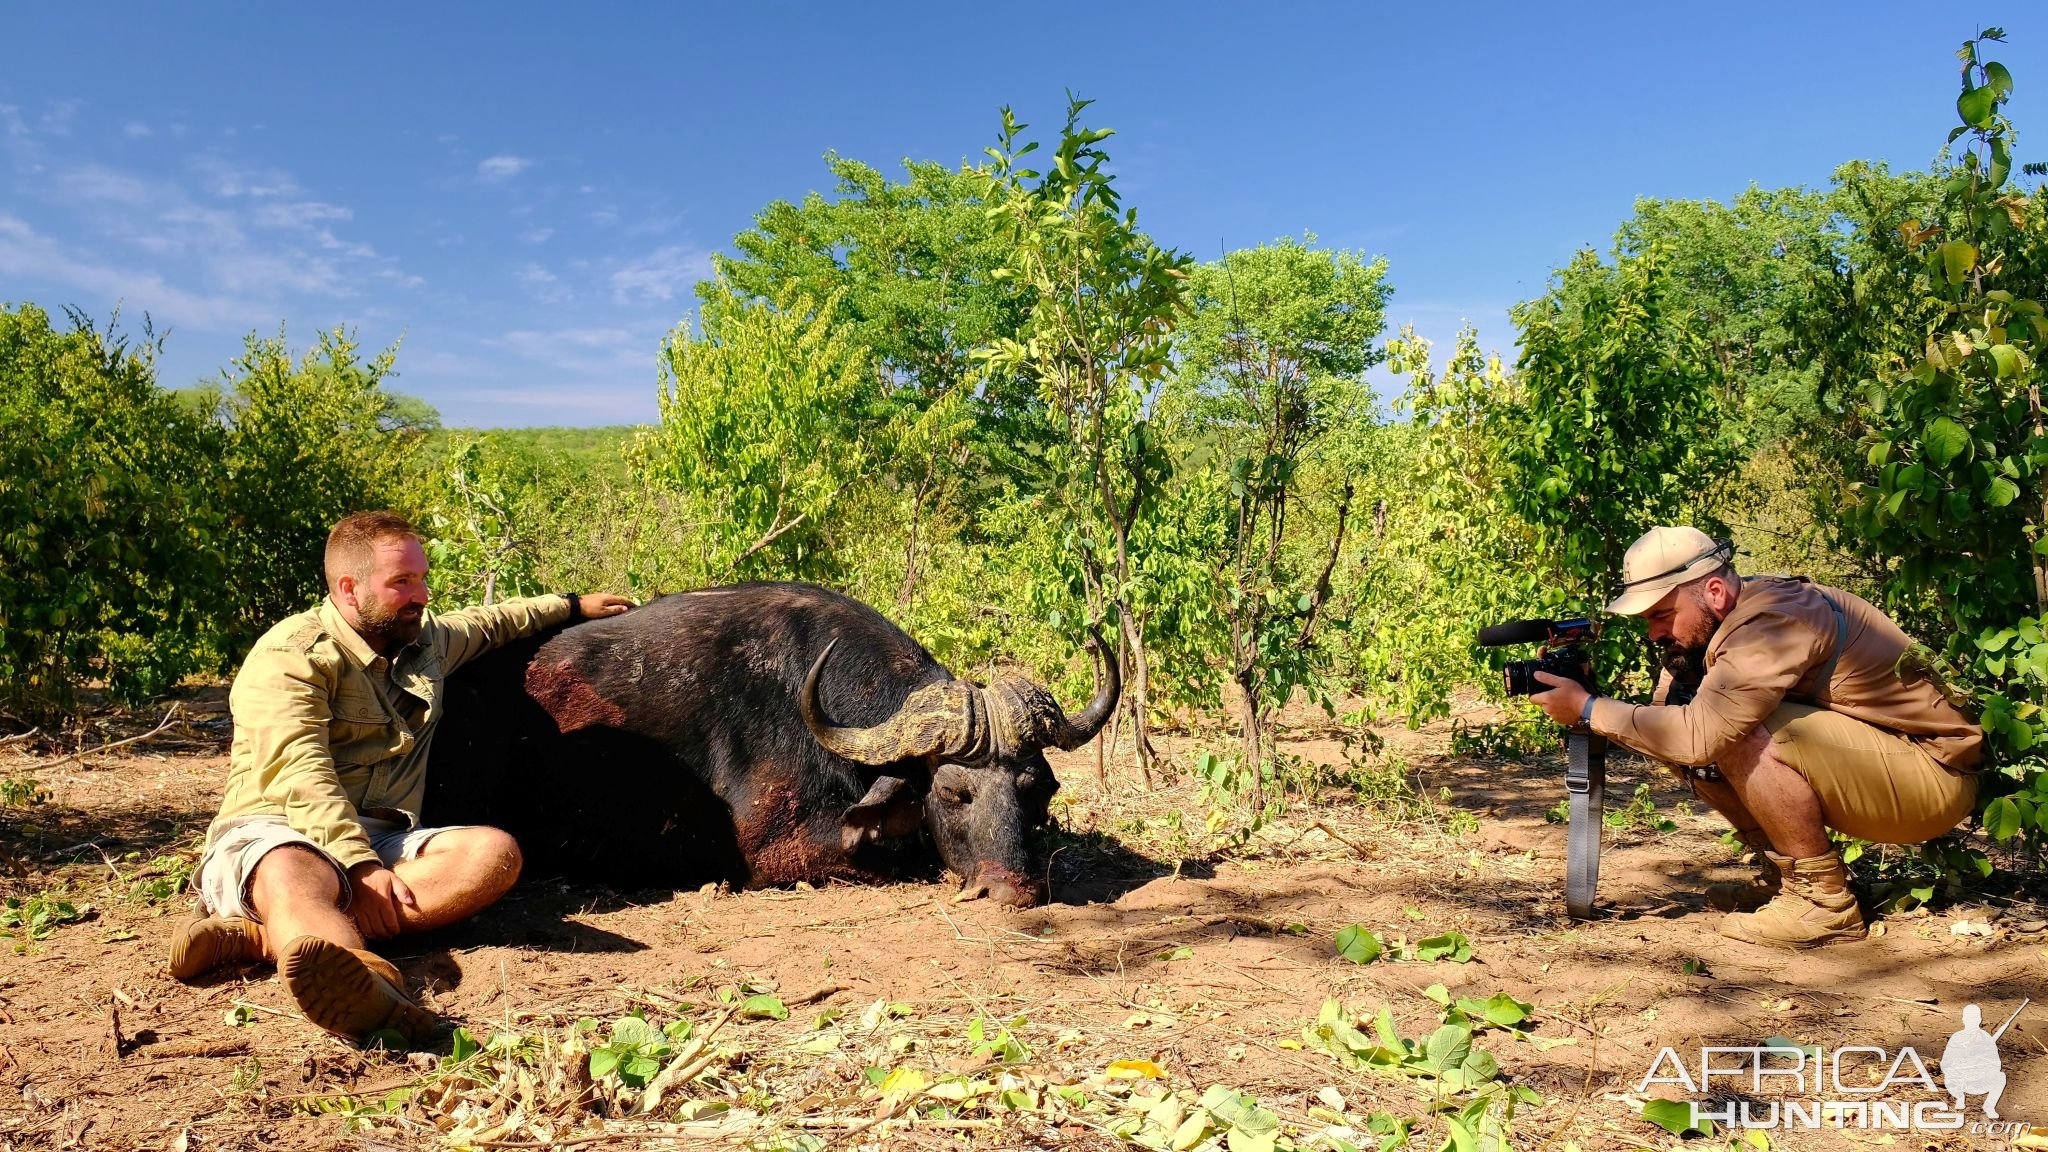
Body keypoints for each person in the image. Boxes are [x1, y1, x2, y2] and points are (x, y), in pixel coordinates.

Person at [168, 511, 633, 1042]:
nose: (423, 594)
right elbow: (302, 774)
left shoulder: (422, 639)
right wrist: (359, 866)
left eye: (423, 578)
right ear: (349, 588)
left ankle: (267, 938)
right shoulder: (288, 657)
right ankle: (368, 990)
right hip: (278, 826)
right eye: (403, 582)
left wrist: (572, 606)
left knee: (493, 854)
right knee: (293, 875)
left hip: (387, 833)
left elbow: (492, 621)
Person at [1530, 526, 1981, 949]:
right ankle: (1786, 876)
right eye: (1648, 620)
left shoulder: (1775, 620)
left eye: (1662, 615)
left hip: (1932, 779)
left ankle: (1822, 905)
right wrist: (1589, 707)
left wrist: (1590, 708)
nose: (1655, 633)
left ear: (1714, 591)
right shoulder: (1714, 629)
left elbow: (1701, 734)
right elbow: (1666, 730)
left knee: (1733, 730)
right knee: (1695, 726)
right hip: (1883, 771)